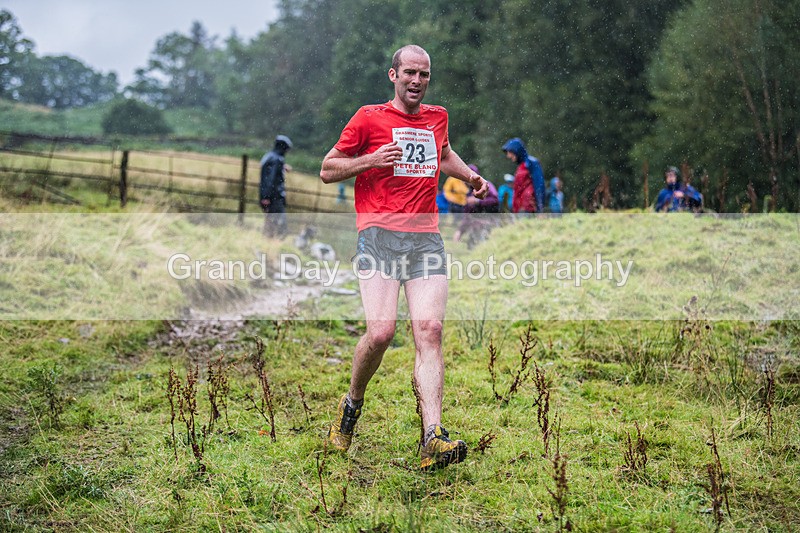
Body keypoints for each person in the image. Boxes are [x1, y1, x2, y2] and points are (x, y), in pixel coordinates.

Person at [319, 44, 489, 471]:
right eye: (409, 73)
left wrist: (470, 176)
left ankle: (432, 436)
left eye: (424, 75)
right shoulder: (368, 118)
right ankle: (351, 407)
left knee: (429, 331)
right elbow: (328, 168)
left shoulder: (437, 117)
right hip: (377, 237)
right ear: (392, 75)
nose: (417, 81)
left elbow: (444, 153)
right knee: (380, 333)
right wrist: (372, 159)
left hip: (425, 239)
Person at [453, 164, 499, 244]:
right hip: (475, 229)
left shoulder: (487, 186)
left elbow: (495, 200)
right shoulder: (469, 194)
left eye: (466, 179)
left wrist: (477, 201)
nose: (464, 182)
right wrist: (460, 231)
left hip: (490, 226)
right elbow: (467, 215)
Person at [260, 134, 293, 237]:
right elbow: (270, 179)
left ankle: (268, 241)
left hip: (269, 195)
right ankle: (273, 244)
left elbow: (267, 176)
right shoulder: (277, 160)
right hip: (275, 196)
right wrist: (267, 197)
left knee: (271, 219)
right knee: (279, 224)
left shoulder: (269, 156)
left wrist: (264, 196)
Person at [502, 138, 545, 214]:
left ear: (516, 151)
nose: (508, 156)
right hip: (520, 208)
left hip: (529, 207)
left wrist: (540, 208)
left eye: (510, 152)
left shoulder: (531, 163)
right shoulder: (521, 167)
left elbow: (539, 186)